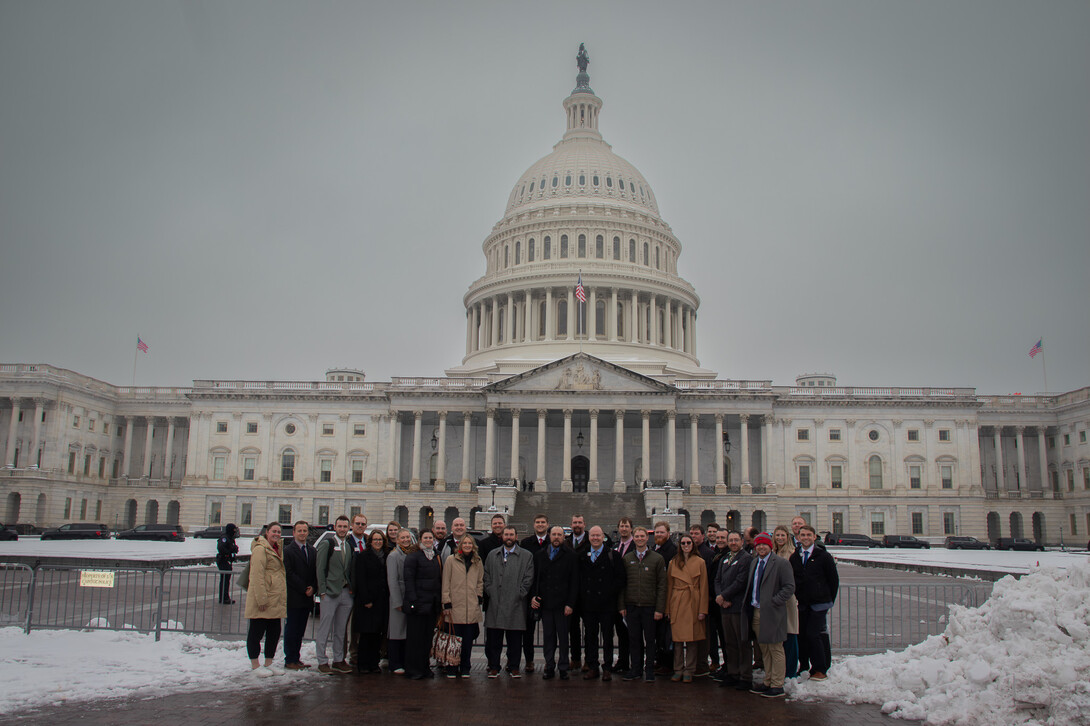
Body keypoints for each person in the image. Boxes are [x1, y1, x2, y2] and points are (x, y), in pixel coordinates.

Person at [744, 532, 795, 698]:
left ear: (770, 546)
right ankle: (768, 680)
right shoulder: (754, 563)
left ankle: (777, 684)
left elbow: (789, 587)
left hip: (773, 611)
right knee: (764, 648)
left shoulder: (780, 563)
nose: (760, 547)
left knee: (776, 648)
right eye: (758, 545)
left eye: (764, 544)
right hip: (757, 611)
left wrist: (774, 602)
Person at [483, 524, 534, 678]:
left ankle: (514, 666)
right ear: (502, 537)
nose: (509, 537)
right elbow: (486, 576)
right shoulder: (493, 554)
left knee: (515, 640)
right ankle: (494, 666)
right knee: (494, 639)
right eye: (506, 535)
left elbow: (528, 578)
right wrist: (491, 591)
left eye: (511, 534)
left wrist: (520, 594)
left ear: (516, 537)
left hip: (516, 602)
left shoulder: (526, 555)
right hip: (496, 601)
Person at [790, 524, 839, 681]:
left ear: (814, 537)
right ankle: (804, 666)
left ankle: (820, 668)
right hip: (803, 603)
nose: (805, 538)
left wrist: (829, 600)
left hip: (820, 603)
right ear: (798, 537)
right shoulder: (795, 556)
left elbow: (833, 580)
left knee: (814, 634)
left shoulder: (823, 556)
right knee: (802, 635)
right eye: (802, 535)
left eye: (808, 535)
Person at [532, 525, 578, 680]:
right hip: (546, 603)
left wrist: (570, 603)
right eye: (554, 534)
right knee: (548, 637)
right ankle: (549, 665)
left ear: (564, 537)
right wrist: (535, 596)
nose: (556, 537)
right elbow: (536, 579)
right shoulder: (540, 554)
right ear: (549, 536)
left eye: (559, 534)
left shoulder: (571, 555)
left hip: (563, 604)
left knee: (564, 637)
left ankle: (563, 666)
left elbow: (574, 582)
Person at [580, 524, 626, 681]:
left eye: (598, 535)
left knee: (607, 636)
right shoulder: (583, 555)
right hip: (589, 604)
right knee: (590, 636)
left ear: (603, 537)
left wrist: (608, 593)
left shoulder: (613, 555)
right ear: (589, 537)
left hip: (607, 604)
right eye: (592, 535)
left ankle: (607, 666)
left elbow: (620, 579)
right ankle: (593, 666)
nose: (595, 538)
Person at [621, 526, 667, 682]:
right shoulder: (627, 558)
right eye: (637, 536)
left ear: (648, 538)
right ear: (633, 538)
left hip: (650, 606)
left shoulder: (657, 559)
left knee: (650, 640)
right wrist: (622, 606)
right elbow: (622, 584)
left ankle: (649, 670)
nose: (639, 539)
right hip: (632, 605)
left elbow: (662, 585)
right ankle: (636, 669)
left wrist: (660, 608)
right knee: (634, 639)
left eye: (642, 536)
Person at [666, 534, 708, 682]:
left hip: (693, 602)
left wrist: (703, 610)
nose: (685, 545)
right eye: (683, 543)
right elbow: (669, 587)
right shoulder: (673, 562)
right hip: (677, 601)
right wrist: (668, 609)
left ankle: (690, 669)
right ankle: (678, 668)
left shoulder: (700, 562)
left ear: (693, 544)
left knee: (691, 640)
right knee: (677, 640)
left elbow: (704, 588)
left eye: (688, 542)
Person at [245, 522, 286, 675]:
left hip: (275, 598)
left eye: (279, 532)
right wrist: (261, 599)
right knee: (256, 632)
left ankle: (269, 663)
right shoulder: (260, 549)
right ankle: (255, 664)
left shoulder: (277, 548)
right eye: (274, 531)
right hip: (263, 599)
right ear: (267, 532)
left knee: (274, 632)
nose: (276, 534)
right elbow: (256, 575)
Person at [315, 515, 354, 675]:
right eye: (340, 526)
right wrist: (322, 590)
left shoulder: (348, 546)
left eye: (345, 527)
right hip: (330, 592)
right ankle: (322, 660)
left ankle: (338, 659)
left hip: (345, 592)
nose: (343, 529)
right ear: (335, 527)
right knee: (325, 627)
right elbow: (320, 568)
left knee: (341, 629)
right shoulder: (327, 544)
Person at [442, 533, 484, 678]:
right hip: (455, 605)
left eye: (469, 543)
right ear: (460, 546)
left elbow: (480, 581)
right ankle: (452, 666)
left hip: (470, 606)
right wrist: (446, 602)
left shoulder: (477, 561)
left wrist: (479, 596)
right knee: (454, 640)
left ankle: (465, 667)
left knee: (467, 641)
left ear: (473, 546)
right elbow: (445, 582)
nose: (467, 545)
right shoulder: (451, 560)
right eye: (465, 543)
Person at [714, 530, 753, 690]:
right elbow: (717, 579)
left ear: (742, 541)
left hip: (738, 607)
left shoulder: (746, 559)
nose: (733, 543)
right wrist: (720, 597)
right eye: (731, 540)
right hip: (725, 607)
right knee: (729, 642)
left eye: (736, 540)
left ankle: (745, 676)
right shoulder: (725, 558)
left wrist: (723, 596)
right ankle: (733, 672)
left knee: (742, 642)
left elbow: (741, 581)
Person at [403, 529, 443, 679]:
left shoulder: (435, 556)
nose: (428, 540)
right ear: (420, 539)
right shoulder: (413, 557)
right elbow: (409, 581)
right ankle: (413, 669)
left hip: (431, 604)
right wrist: (413, 601)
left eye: (430, 538)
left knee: (427, 639)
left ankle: (424, 667)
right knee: (415, 639)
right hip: (418, 604)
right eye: (425, 538)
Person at [283, 520, 317, 671]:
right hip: (294, 596)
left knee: (300, 630)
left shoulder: (311, 550)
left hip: (307, 597)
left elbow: (315, 571)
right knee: (292, 629)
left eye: (304, 531)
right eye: (300, 531)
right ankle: (290, 658)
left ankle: (296, 657)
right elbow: (289, 573)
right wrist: (304, 588)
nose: (302, 533)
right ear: (294, 533)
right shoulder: (288, 551)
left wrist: (313, 587)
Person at [354, 529, 389, 674]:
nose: (378, 542)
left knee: (377, 633)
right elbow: (360, 580)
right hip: (368, 601)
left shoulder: (387, 556)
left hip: (381, 600)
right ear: (370, 542)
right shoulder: (363, 556)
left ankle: (374, 663)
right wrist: (366, 599)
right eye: (375, 540)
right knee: (366, 633)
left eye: (380, 540)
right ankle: (363, 663)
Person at [520, 512, 550, 671]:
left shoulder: (554, 542)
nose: (540, 525)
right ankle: (529, 660)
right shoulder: (526, 543)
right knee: (528, 630)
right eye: (537, 522)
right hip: (530, 591)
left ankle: (549, 661)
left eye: (543, 522)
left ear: (547, 525)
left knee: (549, 631)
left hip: (549, 591)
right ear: (534, 524)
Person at [772, 524, 800, 679]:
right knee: (778, 636)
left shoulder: (792, 554)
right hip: (774, 599)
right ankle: (780, 670)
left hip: (788, 599)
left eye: (783, 535)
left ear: (787, 537)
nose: (780, 538)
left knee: (790, 634)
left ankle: (790, 671)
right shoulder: (772, 552)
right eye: (778, 535)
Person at [387, 528, 415, 674]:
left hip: (408, 596)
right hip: (398, 597)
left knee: (405, 631)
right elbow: (392, 580)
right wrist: (397, 602)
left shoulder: (409, 553)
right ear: (397, 540)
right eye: (402, 538)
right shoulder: (393, 556)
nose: (405, 540)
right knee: (396, 631)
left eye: (407, 537)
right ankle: (394, 663)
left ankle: (403, 661)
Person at [651, 520, 676, 672]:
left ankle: (667, 663)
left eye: (662, 532)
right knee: (659, 633)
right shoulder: (656, 548)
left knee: (666, 633)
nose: (659, 534)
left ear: (668, 533)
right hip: (656, 596)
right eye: (657, 532)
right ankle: (660, 660)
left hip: (666, 597)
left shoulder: (672, 550)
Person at [611, 516, 635, 674]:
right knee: (621, 631)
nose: (624, 529)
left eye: (626, 526)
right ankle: (623, 661)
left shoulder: (636, 545)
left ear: (631, 528)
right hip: (616, 596)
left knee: (632, 632)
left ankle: (635, 664)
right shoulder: (615, 546)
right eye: (622, 526)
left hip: (630, 595)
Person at [566, 514, 589, 669]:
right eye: (575, 522)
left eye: (580, 522)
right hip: (571, 593)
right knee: (572, 628)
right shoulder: (566, 542)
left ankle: (589, 660)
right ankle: (575, 658)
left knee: (590, 629)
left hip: (587, 592)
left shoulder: (592, 540)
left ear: (584, 524)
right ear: (571, 524)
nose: (577, 525)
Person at [345, 513, 369, 667]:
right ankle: (351, 653)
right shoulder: (346, 542)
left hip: (365, 590)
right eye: (357, 523)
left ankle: (363, 652)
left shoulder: (368, 541)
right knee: (350, 624)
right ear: (351, 525)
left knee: (363, 624)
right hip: (351, 589)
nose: (360, 526)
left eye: (363, 524)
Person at [707, 526, 729, 678]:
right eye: (718, 537)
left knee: (727, 637)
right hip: (716, 601)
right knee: (721, 635)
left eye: (723, 538)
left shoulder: (729, 555)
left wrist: (723, 595)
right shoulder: (717, 554)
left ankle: (730, 668)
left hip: (726, 602)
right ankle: (726, 666)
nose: (720, 540)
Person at [216, 523, 240, 604]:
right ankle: (223, 598)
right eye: (234, 530)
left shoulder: (230, 538)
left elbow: (233, 547)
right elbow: (221, 548)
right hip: (223, 560)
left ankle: (225, 597)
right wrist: (230, 551)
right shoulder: (224, 538)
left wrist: (234, 549)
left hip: (228, 561)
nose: (235, 531)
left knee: (226, 580)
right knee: (224, 580)